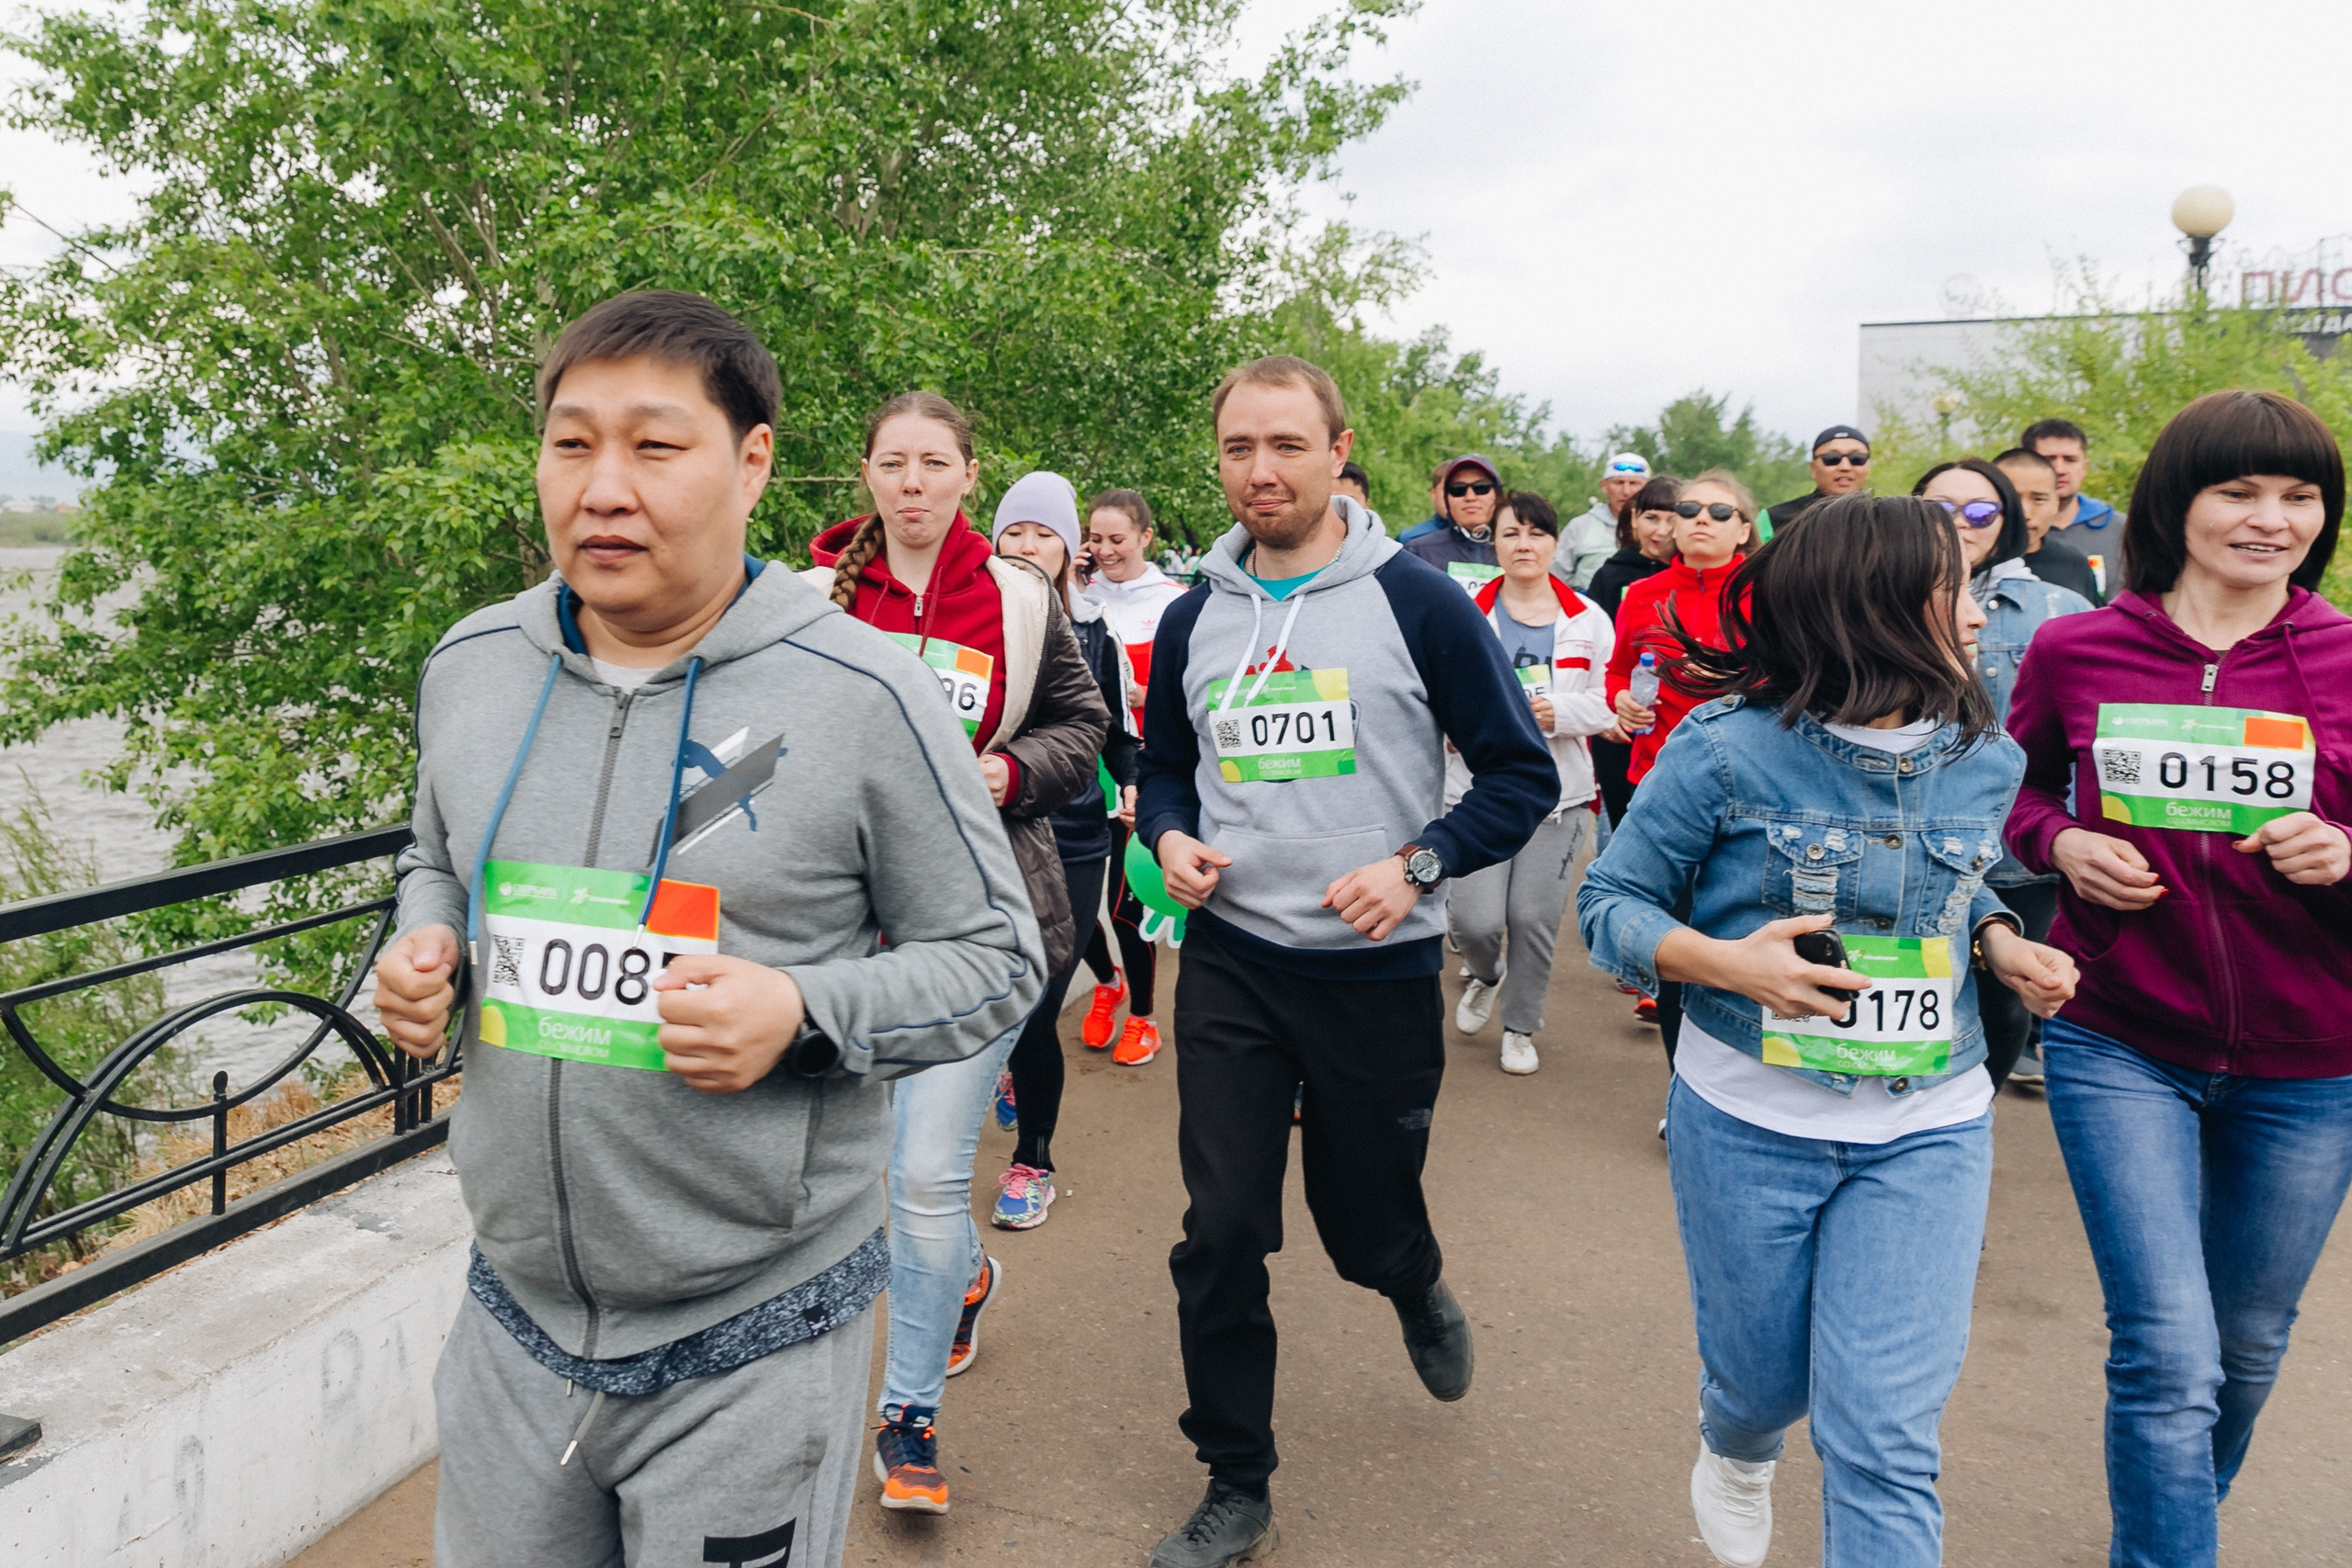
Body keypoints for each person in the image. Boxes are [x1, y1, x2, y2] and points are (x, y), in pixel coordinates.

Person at [372, 292, 1045, 1568]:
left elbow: (996, 959)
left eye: (654, 445)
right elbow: (434, 859)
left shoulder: (865, 693)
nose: (604, 487)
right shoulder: (471, 663)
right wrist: (425, 944)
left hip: (758, 1326)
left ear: (753, 463)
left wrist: (802, 1013)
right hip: (513, 1316)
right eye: (572, 444)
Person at [1577, 492, 2079, 1568]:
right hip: (1745, 1119)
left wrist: (1995, 939)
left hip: (1930, 1121)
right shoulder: (1724, 752)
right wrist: (1722, 964)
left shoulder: (1982, 754)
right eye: (1955, 593)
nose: (1980, 617)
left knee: (1884, 1437)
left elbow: (1956, 869)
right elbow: (1608, 905)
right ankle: (1736, 1446)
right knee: (1763, 1384)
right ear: (1877, 608)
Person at [1137, 355, 1556, 1568]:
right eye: (1237, 449)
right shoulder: (1192, 614)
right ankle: (1236, 1478)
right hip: (1234, 960)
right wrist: (1168, 832)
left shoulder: (1419, 603)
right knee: (1221, 1225)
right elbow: (1162, 761)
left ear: (1337, 450)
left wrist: (1417, 866)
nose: (1259, 470)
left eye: (1284, 444)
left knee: (1356, 1216)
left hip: (1375, 968)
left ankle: (1409, 1273)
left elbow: (1520, 772)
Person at [2004, 389, 2352, 1568]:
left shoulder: (2349, 655)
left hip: (2313, 1061)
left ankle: (2164, 1525)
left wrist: (2344, 854)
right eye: (2239, 492)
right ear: (2177, 502)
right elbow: (2011, 792)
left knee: (2245, 1349)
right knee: (2167, 1351)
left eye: (2298, 497)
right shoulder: (2076, 646)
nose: (2271, 520)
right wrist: (2059, 843)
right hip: (2120, 1038)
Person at [805, 395, 1110, 1516]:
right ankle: (967, 1278)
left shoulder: (1020, 600)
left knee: (925, 1178)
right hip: (838, 937)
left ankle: (907, 1417)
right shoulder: (809, 599)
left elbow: (1083, 728)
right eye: (894, 463)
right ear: (870, 475)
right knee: (857, 1183)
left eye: (936, 463)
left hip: (983, 929)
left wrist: (1009, 771)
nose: (915, 482)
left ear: (969, 476)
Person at [986, 473, 1141, 1229]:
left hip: (1076, 841)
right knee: (997, 1000)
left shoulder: (1093, 638)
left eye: (1043, 533)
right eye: (1014, 531)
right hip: (987, 837)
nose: (1025, 545)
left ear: (1069, 550)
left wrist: (1138, 789)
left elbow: (1116, 738)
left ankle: (1033, 1161)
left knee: (1041, 1000)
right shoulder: (977, 623)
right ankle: (1009, 1064)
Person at [1913, 457, 2092, 1090]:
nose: (1961, 522)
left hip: (2015, 841)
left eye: (1981, 510)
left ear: (2007, 520)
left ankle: (1970, 1110)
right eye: (1942, 508)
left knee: (2005, 994)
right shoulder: (1884, 593)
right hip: (1910, 826)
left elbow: (2083, 731)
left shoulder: (2060, 606)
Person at [1447, 491, 1616, 1075]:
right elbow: (1431, 690)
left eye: (1536, 533)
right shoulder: (1462, 610)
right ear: (1492, 542)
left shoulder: (1589, 619)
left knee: (1533, 920)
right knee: (1474, 920)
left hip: (1559, 795)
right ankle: (1486, 975)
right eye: (1511, 533)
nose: (1523, 544)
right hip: (1475, 790)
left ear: (1554, 544)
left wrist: (1558, 715)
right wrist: (1452, 727)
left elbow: (1610, 706)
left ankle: (1520, 1027)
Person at [1605, 469, 1757, 1044]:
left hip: (1750, 788)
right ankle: (1680, 1082)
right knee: (1678, 940)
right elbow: (1618, 670)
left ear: (1743, 529)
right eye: (1690, 509)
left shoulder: (1765, 592)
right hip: (1660, 782)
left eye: (1720, 513)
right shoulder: (1642, 594)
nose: (1701, 520)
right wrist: (1621, 701)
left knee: (1736, 933)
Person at [1081, 489, 1187, 1065]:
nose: (1104, 551)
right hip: (1075, 769)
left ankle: (1143, 1017)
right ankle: (1105, 983)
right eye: (1094, 540)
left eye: (1116, 539)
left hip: (1140, 768)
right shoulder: (1074, 598)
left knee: (1125, 903)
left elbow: (1196, 695)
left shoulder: (1176, 602)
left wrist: (1143, 696)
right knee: (1064, 907)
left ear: (1146, 537)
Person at [2023, 417, 2122, 597]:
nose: (2060, 469)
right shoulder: (2005, 532)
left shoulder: (2122, 530)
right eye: (2049, 459)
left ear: (2084, 467)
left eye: (2070, 459)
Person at [1995, 446, 2103, 604]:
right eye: (2012, 499)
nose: (2025, 513)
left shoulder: (2073, 565)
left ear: (2056, 503)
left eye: (2038, 499)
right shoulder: (1971, 564)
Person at [1401, 453, 1508, 593]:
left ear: (1498, 494)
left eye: (1481, 488)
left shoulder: (1520, 550)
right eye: (1458, 490)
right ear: (1447, 499)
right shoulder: (1418, 552)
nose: (1470, 497)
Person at [1560, 452, 1651, 589]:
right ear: (1604, 486)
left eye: (1634, 483)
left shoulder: (1659, 528)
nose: (1626, 491)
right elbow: (1557, 576)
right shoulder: (1580, 526)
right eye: (1618, 483)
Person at [1763, 424, 1871, 536]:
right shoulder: (1774, 519)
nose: (1845, 467)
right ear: (1813, 469)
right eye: (1832, 459)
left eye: (1857, 459)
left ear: (1868, 467)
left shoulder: (1883, 518)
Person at [1395, 458, 1453, 545]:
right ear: (1433, 493)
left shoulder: (1478, 540)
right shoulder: (1411, 539)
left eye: (1460, 490)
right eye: (1446, 490)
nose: (1453, 497)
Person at [1333, 459, 1384, 532]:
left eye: (1350, 501)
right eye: (1332, 500)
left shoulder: (1384, 543)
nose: (1340, 507)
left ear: (1367, 505)